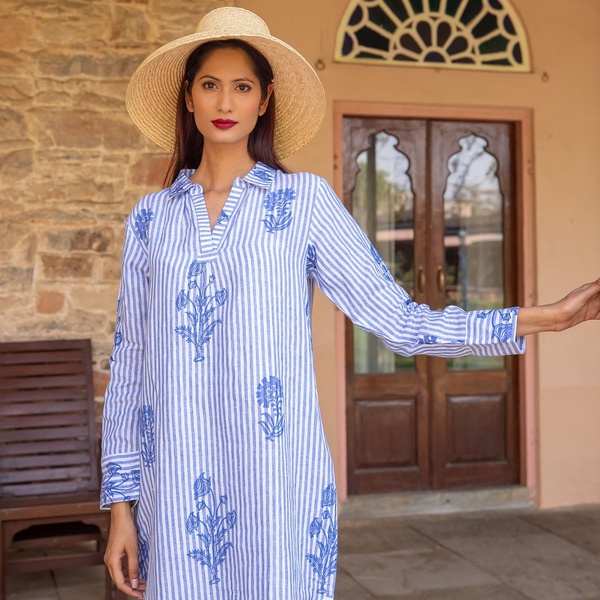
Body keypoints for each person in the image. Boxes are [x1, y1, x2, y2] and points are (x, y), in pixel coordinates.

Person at [101, 7, 600, 600]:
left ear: (265, 99)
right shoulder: (151, 219)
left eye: (242, 86)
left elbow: (398, 320)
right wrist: (121, 510)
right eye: (210, 85)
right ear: (188, 98)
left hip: (276, 484)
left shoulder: (303, 202)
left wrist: (546, 317)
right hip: (175, 489)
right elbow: (130, 364)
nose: (225, 101)